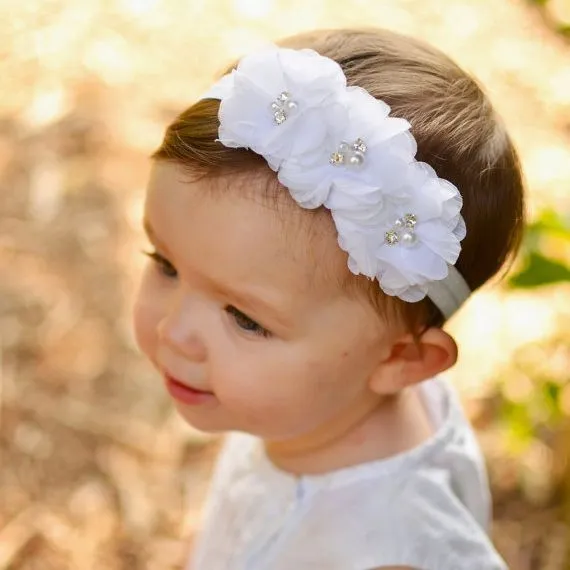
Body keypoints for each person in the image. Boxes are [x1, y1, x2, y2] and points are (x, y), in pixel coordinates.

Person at [133, 27, 525, 570]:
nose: (171, 333)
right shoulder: (311, 407)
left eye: (245, 319)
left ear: (400, 359)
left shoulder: (391, 554)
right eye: (165, 264)